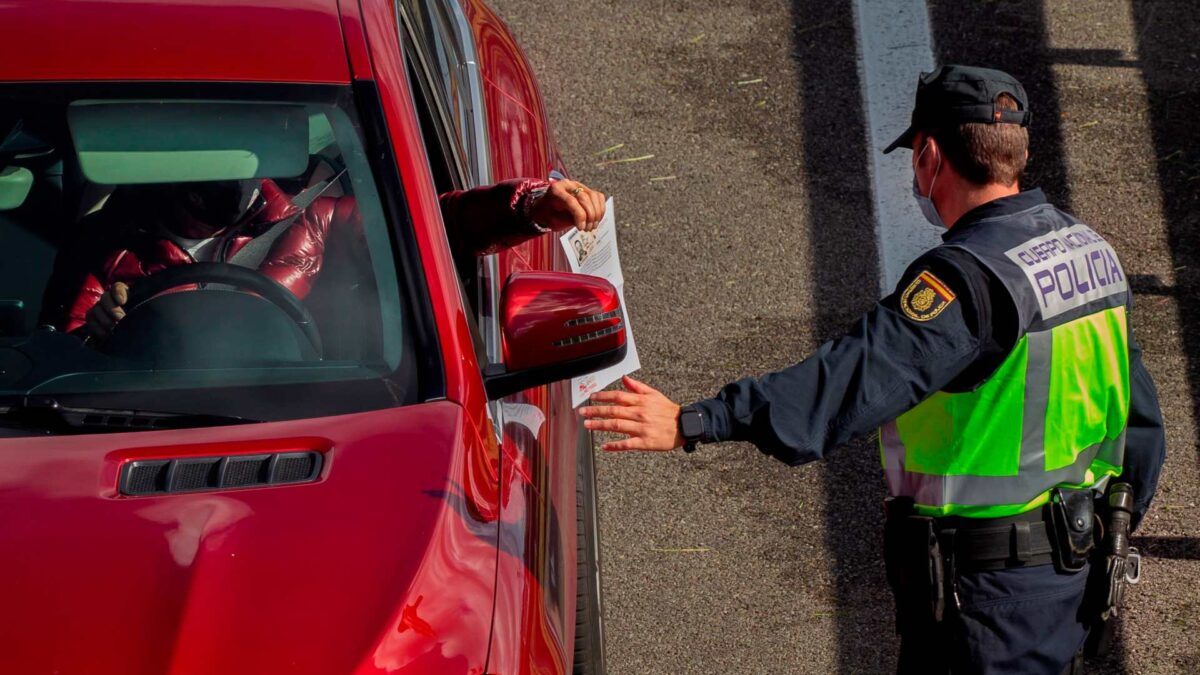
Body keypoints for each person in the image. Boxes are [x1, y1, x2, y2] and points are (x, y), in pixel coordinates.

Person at [580, 65, 1166, 674]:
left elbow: (853, 379)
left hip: (988, 600)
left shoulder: (968, 280)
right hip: (1069, 576)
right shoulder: (1088, 251)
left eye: (915, 153)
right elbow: (1142, 427)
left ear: (931, 157)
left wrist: (698, 420)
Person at [51, 176, 604, 339]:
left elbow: (434, 226)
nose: (219, 184)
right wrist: (99, 332)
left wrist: (529, 207)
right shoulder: (110, 251)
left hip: (298, 409)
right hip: (156, 424)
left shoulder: (308, 219)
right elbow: (64, 365)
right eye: (198, 174)